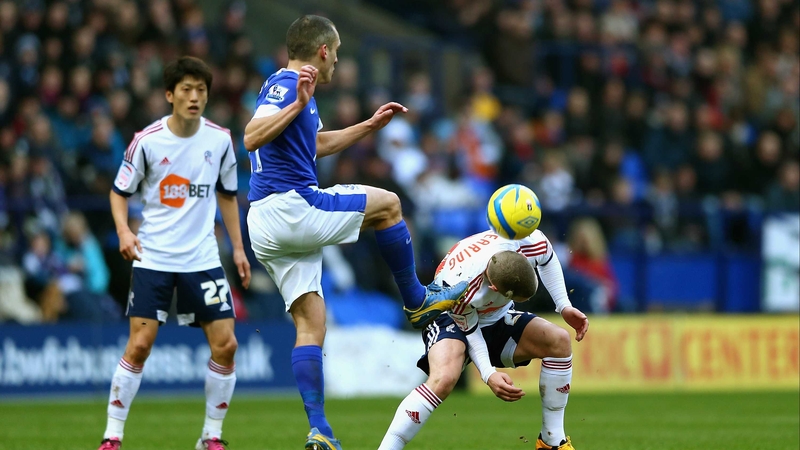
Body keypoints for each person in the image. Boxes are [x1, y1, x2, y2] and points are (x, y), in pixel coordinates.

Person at [243, 15, 467, 450]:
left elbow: (315, 144)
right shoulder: (290, 86)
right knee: (390, 205)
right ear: (323, 51)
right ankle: (417, 301)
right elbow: (251, 136)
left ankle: (319, 431)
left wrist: (368, 127)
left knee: (310, 323)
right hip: (290, 206)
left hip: (265, 225)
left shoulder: (287, 86)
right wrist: (295, 103)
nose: (338, 61)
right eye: (337, 52)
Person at [99, 56, 251, 450]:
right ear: (169, 95)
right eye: (186, 89)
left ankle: (211, 437)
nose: (195, 96)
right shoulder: (147, 141)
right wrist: (123, 232)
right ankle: (112, 436)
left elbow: (228, 196)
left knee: (227, 344)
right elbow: (119, 192)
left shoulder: (219, 140)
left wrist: (237, 248)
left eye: (201, 89)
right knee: (140, 345)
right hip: (155, 257)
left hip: (202, 259)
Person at [378, 229, 590, 450]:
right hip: (449, 317)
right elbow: (471, 332)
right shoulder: (461, 286)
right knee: (444, 378)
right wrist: (489, 375)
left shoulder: (527, 240)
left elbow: (548, 258)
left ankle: (552, 442)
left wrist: (564, 306)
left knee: (559, 340)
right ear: (495, 288)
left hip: (495, 317)